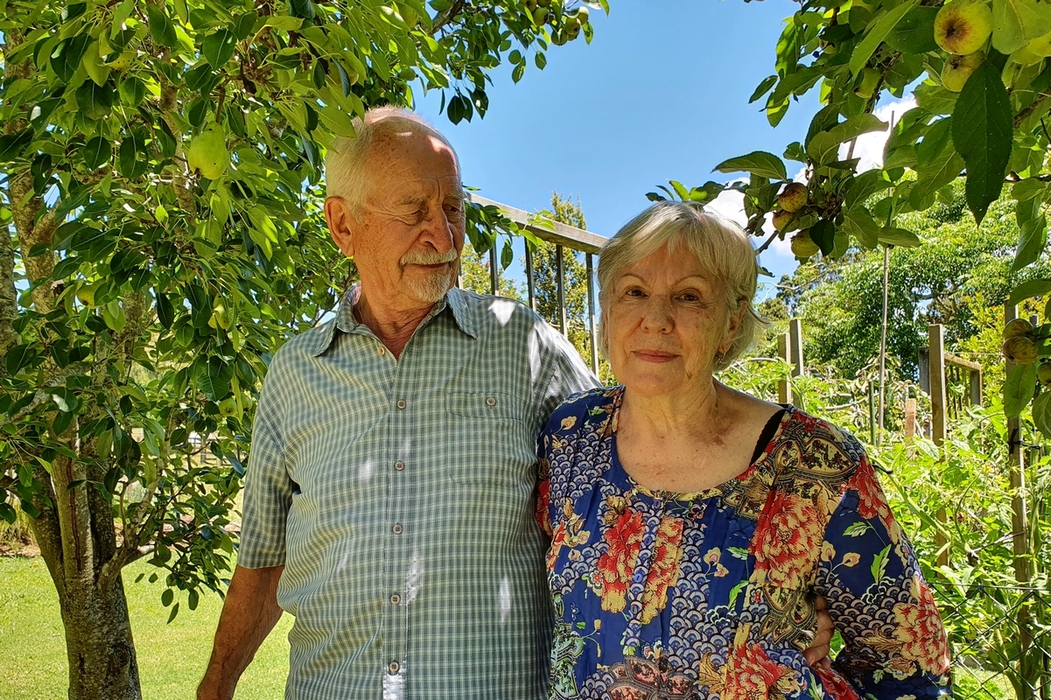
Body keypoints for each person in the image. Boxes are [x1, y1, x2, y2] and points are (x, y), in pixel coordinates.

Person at [196, 107, 599, 700]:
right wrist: (215, 687)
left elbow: (626, 492)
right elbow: (263, 559)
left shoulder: (525, 347)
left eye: (453, 209)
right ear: (343, 226)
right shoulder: (295, 373)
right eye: (414, 211)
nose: (444, 235)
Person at [537, 201, 951, 699]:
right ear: (606, 310)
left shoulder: (815, 463)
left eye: (689, 297)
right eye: (634, 292)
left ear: (731, 324)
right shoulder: (572, 436)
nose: (656, 318)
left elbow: (908, 664)